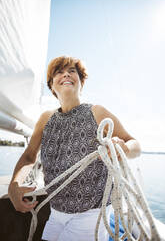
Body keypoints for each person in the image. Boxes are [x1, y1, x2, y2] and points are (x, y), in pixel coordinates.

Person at [8, 56, 141, 241]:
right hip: (56, 212)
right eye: (59, 72)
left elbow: (135, 144)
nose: (66, 75)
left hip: (91, 214)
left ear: (81, 81)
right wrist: (14, 185)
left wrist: (124, 148)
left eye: (72, 71)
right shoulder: (45, 120)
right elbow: (29, 156)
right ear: (52, 86)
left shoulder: (97, 112)